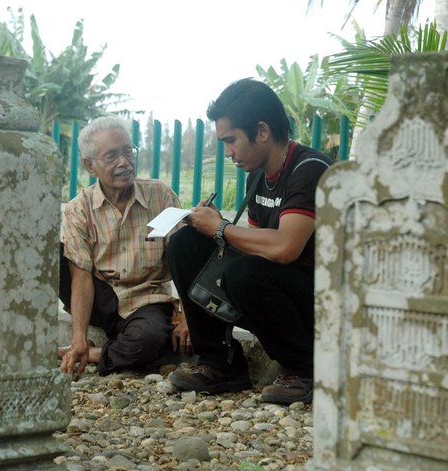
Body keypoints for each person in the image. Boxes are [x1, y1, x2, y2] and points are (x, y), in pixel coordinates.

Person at [166, 78, 332, 404]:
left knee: (243, 274)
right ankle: (220, 363)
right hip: (281, 291)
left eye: (231, 141)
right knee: (185, 243)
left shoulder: (309, 169)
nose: (227, 153)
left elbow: (286, 247)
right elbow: (254, 241)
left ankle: (303, 370)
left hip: (321, 297)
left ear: (262, 131)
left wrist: (221, 228)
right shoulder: (257, 176)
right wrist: (211, 228)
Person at [58, 116, 189, 376]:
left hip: (146, 300)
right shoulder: (79, 209)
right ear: (90, 166)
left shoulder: (160, 196)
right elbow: (81, 276)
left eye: (128, 151)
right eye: (111, 156)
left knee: (149, 339)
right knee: (51, 256)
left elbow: (187, 259)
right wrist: (79, 337)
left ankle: (97, 354)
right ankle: (83, 347)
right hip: (101, 297)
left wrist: (188, 317)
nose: (124, 162)